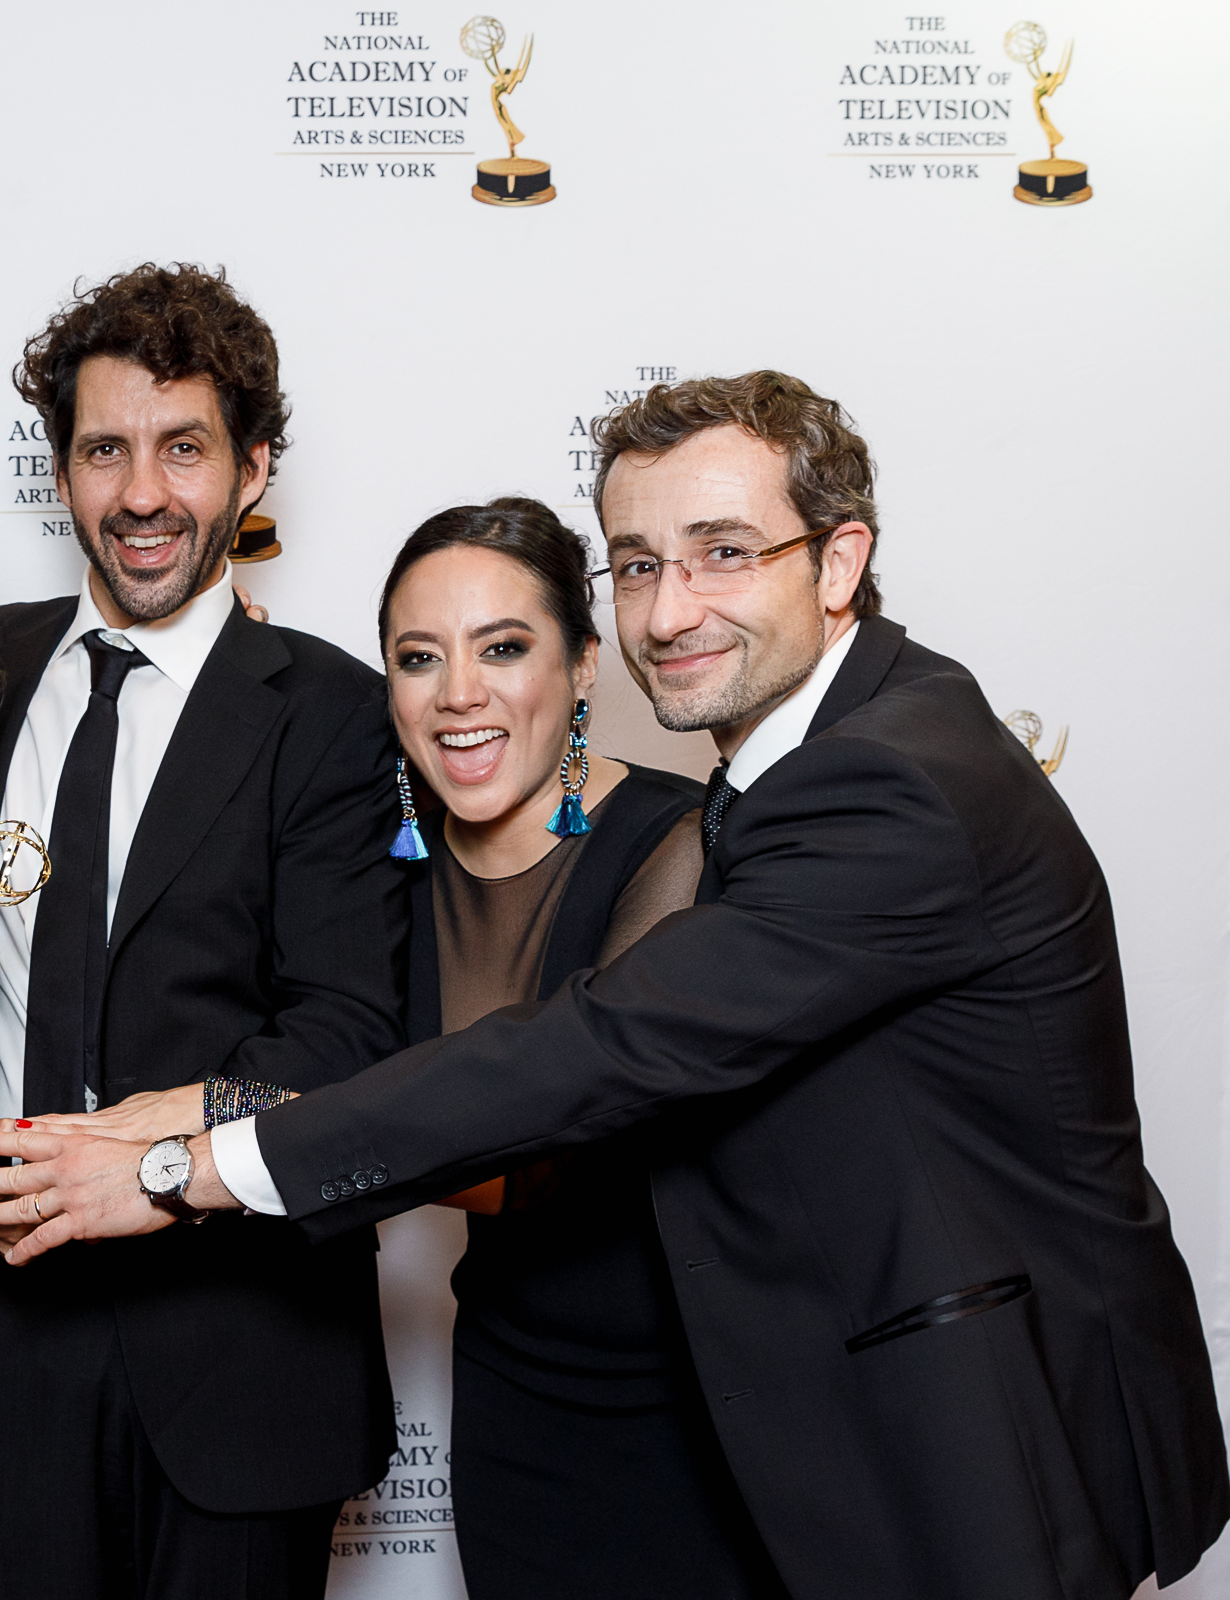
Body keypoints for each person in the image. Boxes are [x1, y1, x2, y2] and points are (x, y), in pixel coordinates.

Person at [0, 371, 1230, 1599]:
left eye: (724, 553)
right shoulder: (824, 746)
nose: (669, 613)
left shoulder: (882, 779)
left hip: (973, 1427)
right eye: (637, 564)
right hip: (778, 1413)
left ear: (839, 562)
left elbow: (603, 1053)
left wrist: (186, 1166)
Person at [0, 263, 407, 1600]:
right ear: (63, 473)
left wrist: (138, 1160)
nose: (143, 493)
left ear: (253, 469)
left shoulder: (334, 715)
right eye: (106, 451)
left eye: (184, 448)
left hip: (239, 1342)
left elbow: (347, 1039)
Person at [373, 498, 788, 1596]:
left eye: (504, 648)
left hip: (695, 1408)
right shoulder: (372, 866)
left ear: (585, 664)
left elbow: (544, 1159)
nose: (459, 694)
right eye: (419, 658)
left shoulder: (683, 848)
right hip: (510, 1388)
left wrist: (243, 1138)